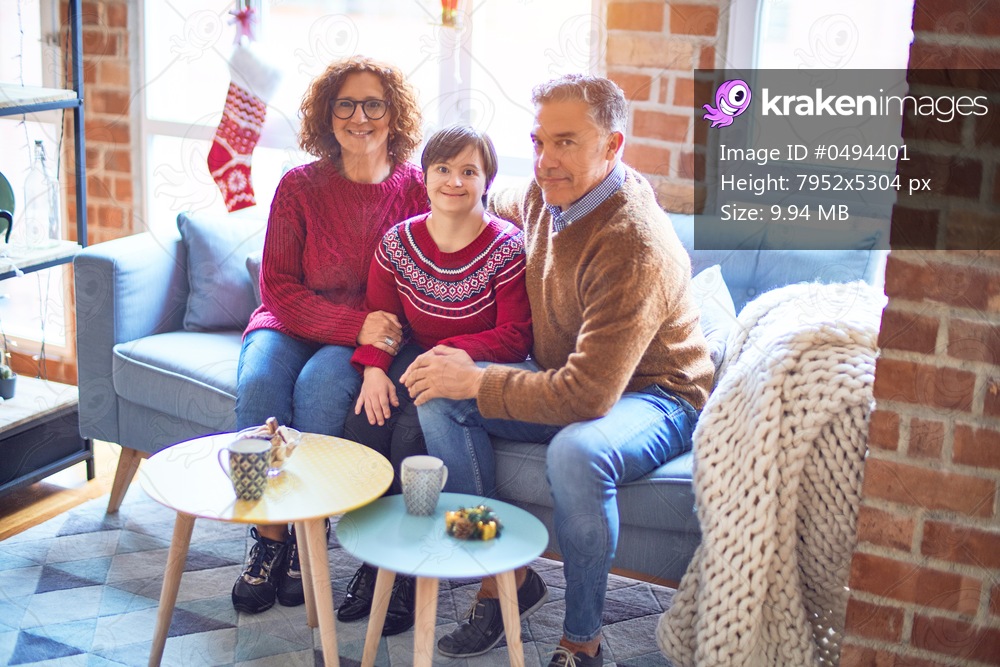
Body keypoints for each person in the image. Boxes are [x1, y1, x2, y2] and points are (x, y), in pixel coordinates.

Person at [400, 74, 714, 666]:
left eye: (566, 142)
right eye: (539, 142)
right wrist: (410, 196)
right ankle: (503, 579)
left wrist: (482, 381)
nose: (545, 161)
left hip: (658, 394)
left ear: (612, 146)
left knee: (577, 451)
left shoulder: (633, 243)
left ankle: (582, 640)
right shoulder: (547, 194)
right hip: (567, 374)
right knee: (434, 390)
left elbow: (589, 395)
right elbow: (476, 198)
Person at [231, 56, 429, 615]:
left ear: (394, 116)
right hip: (291, 322)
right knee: (260, 383)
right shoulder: (299, 187)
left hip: (363, 339)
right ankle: (272, 540)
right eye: (345, 104)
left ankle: (307, 534)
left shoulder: (416, 191)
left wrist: (366, 338)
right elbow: (277, 288)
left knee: (319, 392)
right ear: (327, 114)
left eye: (373, 104)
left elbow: (416, 292)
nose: (359, 116)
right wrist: (352, 322)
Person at [338, 125, 533, 635]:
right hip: (415, 354)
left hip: (480, 364)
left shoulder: (507, 248)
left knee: (417, 420)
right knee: (368, 415)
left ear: (486, 180)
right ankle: (380, 554)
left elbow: (517, 336)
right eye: (443, 169)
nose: (454, 181)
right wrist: (376, 370)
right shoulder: (399, 242)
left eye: (469, 171)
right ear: (423, 178)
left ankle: (428, 561)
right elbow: (379, 314)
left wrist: (451, 357)